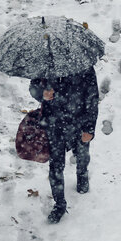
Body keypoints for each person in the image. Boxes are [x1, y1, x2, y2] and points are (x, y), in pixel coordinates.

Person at [29, 66, 99, 223]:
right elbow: (33, 87)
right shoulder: (45, 65)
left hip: (79, 122)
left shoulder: (84, 67)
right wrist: (42, 94)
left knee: (82, 155)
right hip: (54, 124)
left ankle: (82, 176)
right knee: (56, 165)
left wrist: (89, 128)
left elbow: (92, 98)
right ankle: (59, 204)